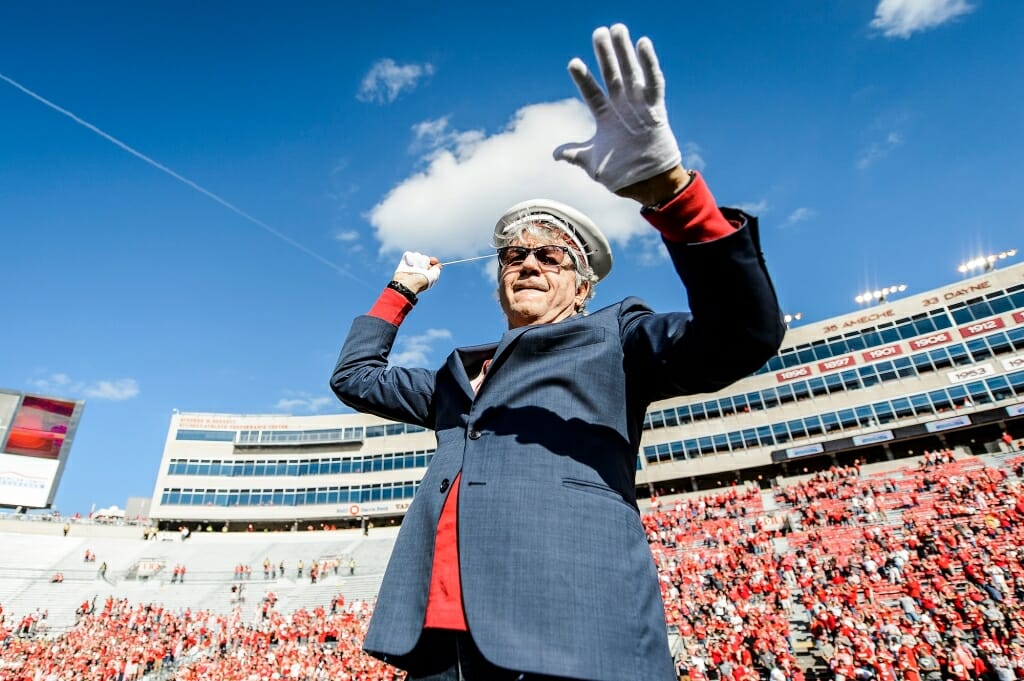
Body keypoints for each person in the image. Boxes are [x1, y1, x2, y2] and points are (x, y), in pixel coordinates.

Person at [330, 23, 784, 681]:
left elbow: (742, 334)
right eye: (514, 255)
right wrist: (399, 292)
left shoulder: (615, 336)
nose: (529, 262)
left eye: (551, 254)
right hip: (443, 649)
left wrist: (672, 195)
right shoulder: (456, 379)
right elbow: (354, 376)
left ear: (582, 283)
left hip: (572, 638)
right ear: (498, 280)